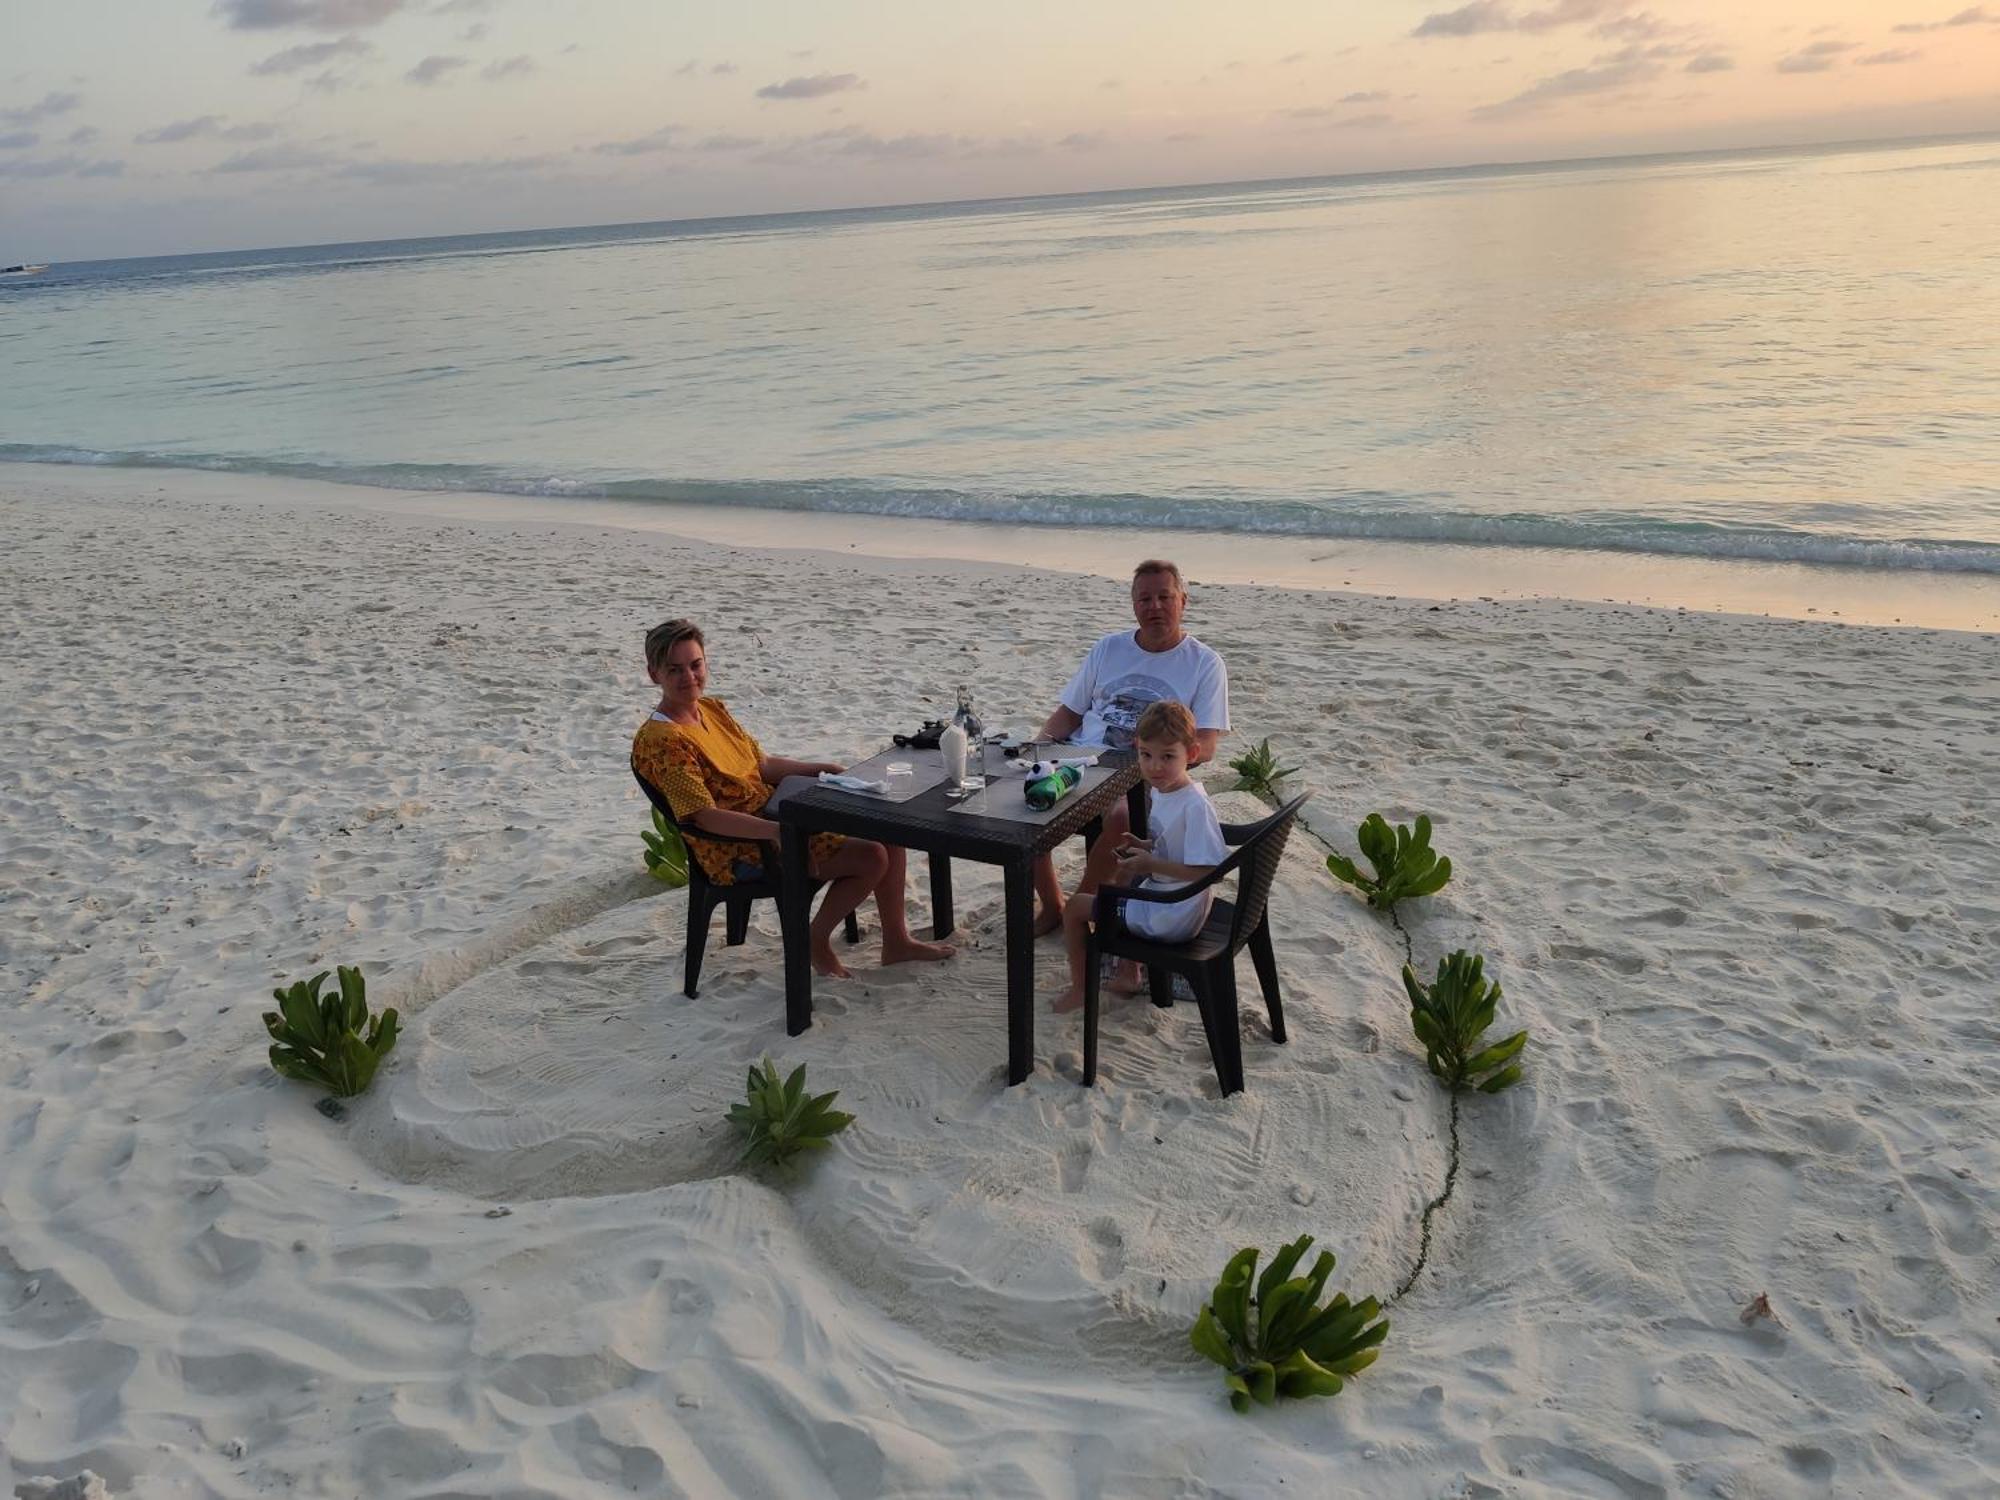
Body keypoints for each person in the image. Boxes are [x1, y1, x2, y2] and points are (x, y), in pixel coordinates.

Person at [631, 619, 953, 979]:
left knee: (888, 829)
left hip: (777, 815)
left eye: (695, 665)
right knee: (872, 856)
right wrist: (775, 832)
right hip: (738, 847)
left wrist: (826, 769)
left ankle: (896, 941)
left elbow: (763, 765)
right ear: (653, 673)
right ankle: (813, 938)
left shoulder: (712, 711)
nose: (688, 677)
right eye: (674, 669)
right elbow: (703, 815)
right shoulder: (663, 740)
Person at [1032, 559, 1229, 932]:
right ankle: (1052, 904)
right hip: (1083, 757)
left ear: (1183, 600)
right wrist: (1037, 748)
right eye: (1144, 599)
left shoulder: (1204, 663)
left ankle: (1087, 905)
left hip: (1144, 769)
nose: (1154, 606)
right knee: (1024, 798)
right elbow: (1069, 713)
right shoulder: (1109, 648)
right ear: (1133, 604)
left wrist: (1158, 761)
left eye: (1164, 597)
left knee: (1122, 817)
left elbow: (1206, 743)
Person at [1051, 700, 1229, 1014]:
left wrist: (1152, 864)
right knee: (1122, 877)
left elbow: (1210, 872)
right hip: (1168, 897)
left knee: (1076, 908)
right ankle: (1127, 972)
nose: (1155, 766)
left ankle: (1080, 990)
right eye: (1146, 755)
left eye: (1168, 757)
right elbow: (1172, 844)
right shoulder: (1166, 790)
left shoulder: (1194, 805)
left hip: (1174, 913)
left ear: (1193, 754)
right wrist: (1146, 846)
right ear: (1137, 748)